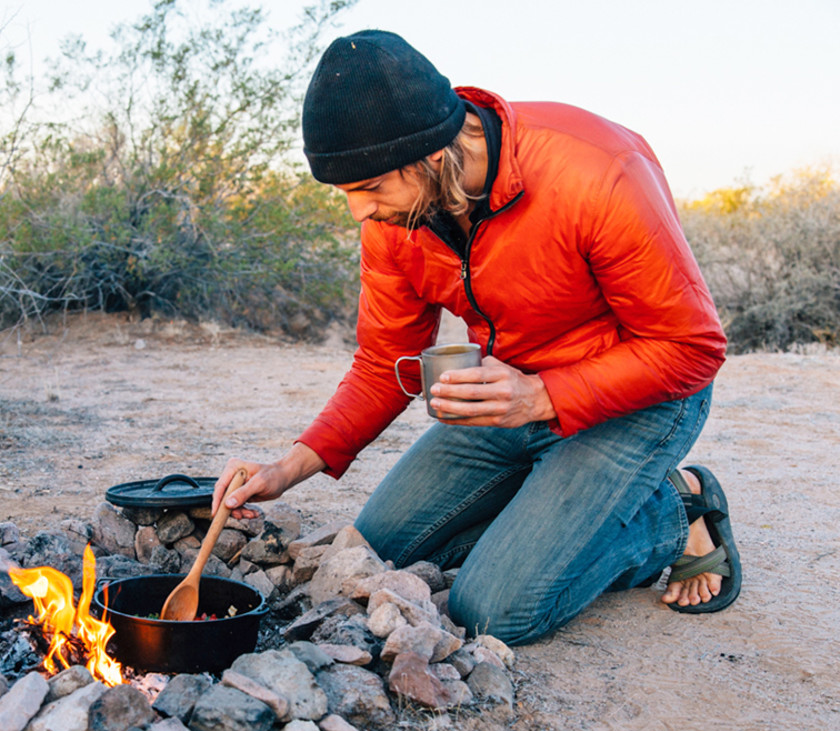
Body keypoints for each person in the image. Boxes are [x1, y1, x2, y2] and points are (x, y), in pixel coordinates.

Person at [212, 30, 740, 645]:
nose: (358, 213)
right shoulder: (398, 216)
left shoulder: (596, 173)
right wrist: (289, 466)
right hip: (505, 397)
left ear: (433, 157)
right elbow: (385, 361)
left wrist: (540, 398)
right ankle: (549, 512)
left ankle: (675, 512)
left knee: (492, 611)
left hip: (638, 401)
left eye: (370, 189)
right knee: (374, 554)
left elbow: (693, 348)